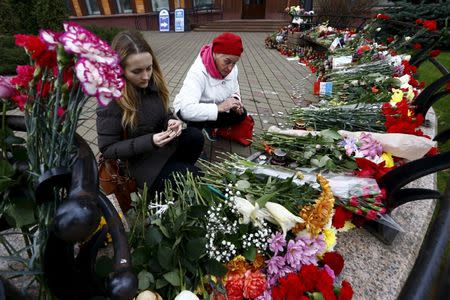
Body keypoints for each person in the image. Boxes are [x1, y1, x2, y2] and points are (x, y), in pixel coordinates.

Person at [96, 30, 204, 196]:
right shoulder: (110, 99)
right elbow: (108, 149)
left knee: (195, 136)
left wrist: (171, 121)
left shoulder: (154, 82)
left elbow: (164, 112)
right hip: (137, 163)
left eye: (149, 68)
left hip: (161, 147)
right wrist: (150, 141)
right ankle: (161, 187)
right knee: (193, 177)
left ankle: (174, 176)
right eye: (137, 71)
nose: (146, 77)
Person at [173, 32, 247, 139]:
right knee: (196, 129)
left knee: (241, 114)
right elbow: (187, 110)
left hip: (215, 107)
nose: (230, 68)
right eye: (227, 62)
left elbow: (235, 88)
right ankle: (194, 136)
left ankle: (208, 127)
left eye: (234, 63)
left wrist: (235, 100)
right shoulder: (198, 71)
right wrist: (219, 108)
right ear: (215, 53)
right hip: (188, 109)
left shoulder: (232, 69)